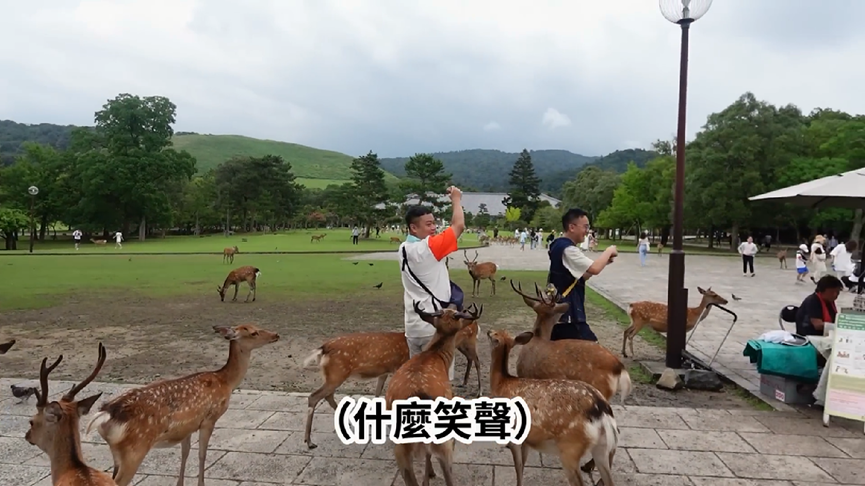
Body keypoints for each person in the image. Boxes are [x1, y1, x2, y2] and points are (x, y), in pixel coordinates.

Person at [399, 186, 465, 382]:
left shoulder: (404, 248)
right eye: (428, 224)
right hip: (435, 328)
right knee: (439, 384)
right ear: (414, 228)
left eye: (434, 223)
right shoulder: (428, 247)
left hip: (413, 327)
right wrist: (456, 199)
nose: (434, 228)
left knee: (418, 383)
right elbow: (458, 225)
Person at [546, 208, 618, 342]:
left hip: (560, 313)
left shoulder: (558, 245)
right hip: (569, 315)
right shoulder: (568, 249)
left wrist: (604, 262)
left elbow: (582, 275)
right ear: (572, 227)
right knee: (594, 352)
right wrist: (609, 251)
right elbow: (595, 268)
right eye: (585, 226)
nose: (587, 231)